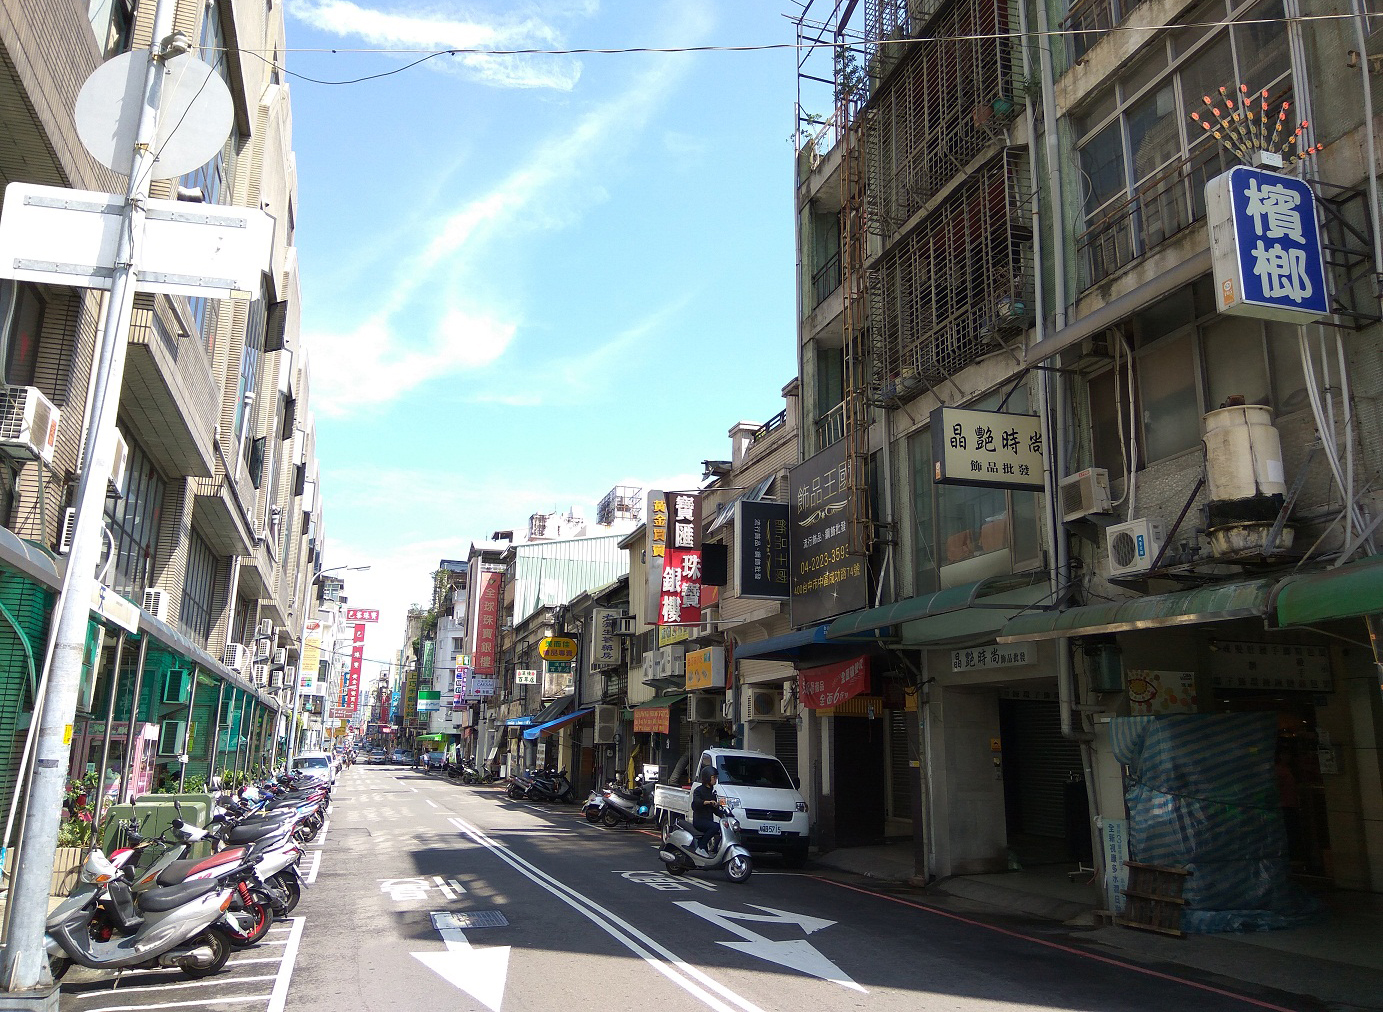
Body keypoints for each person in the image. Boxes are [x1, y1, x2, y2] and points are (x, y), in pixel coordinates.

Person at [691, 766, 722, 857]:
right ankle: (701, 847)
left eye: (716, 777)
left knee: (721, 829)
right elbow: (696, 803)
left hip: (708, 820)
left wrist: (725, 815)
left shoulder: (712, 791)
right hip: (699, 821)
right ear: (707, 777)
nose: (715, 780)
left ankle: (714, 851)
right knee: (715, 826)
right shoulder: (698, 790)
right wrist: (708, 802)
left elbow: (715, 810)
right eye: (714, 777)